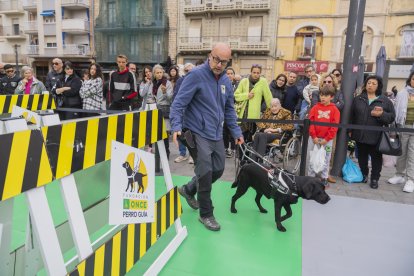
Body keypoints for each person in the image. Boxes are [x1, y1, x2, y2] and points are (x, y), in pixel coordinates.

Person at [170, 42, 244, 231]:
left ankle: (188, 189)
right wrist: (176, 126)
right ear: (210, 56)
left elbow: (228, 109)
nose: (219, 64)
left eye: (224, 62)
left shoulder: (226, 81)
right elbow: (179, 103)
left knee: (218, 170)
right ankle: (206, 213)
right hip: (196, 131)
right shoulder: (196, 75)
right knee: (204, 173)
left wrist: (236, 132)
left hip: (216, 133)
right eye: (216, 59)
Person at [351, 75, 396, 189]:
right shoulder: (358, 99)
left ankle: (375, 178)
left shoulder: (385, 101)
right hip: (360, 134)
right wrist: (350, 130)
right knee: (362, 156)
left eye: (373, 83)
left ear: (378, 86)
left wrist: (382, 114)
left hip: (377, 136)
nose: (370, 85)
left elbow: (391, 117)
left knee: (376, 158)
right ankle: (364, 174)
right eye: (369, 83)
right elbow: (352, 116)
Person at [307, 85, 340, 186]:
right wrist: (314, 136)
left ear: (332, 97)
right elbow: (310, 122)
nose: (323, 97)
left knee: (326, 158)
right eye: (321, 95)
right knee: (312, 157)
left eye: (326, 95)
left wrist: (327, 139)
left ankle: (324, 176)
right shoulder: (315, 108)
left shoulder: (335, 110)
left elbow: (334, 126)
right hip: (314, 138)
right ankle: (310, 176)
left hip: (327, 140)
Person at [388, 71, 414, 192]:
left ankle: (410, 179)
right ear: (410, 80)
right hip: (402, 126)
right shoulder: (403, 93)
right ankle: (399, 175)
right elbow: (396, 110)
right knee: (401, 152)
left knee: (412, 154)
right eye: (413, 79)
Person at [140, 64, 173, 158]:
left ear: (163, 72)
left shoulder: (167, 83)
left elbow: (170, 99)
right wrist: (147, 82)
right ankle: (157, 154)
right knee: (155, 132)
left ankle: (166, 153)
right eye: (157, 73)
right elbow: (143, 94)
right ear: (154, 74)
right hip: (154, 109)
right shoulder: (152, 83)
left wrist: (164, 92)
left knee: (164, 132)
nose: (159, 74)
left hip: (164, 109)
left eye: (160, 72)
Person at [234, 64, 272, 142]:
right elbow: (236, 96)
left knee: (250, 138)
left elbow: (268, 97)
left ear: (260, 73)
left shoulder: (263, 82)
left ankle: (249, 154)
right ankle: (240, 154)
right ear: (251, 72)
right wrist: (247, 95)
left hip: (254, 115)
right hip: (242, 114)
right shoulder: (244, 81)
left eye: (258, 73)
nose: (256, 74)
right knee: (240, 137)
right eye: (254, 72)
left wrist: (273, 110)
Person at [173, 63, 195, 164]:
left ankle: (192, 155)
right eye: (186, 70)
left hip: (192, 111)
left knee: (191, 134)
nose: (189, 72)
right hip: (181, 110)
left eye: (191, 70)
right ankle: (182, 154)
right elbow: (176, 95)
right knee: (180, 133)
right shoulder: (180, 81)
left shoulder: (197, 80)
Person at [223, 67, 239, 158]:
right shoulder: (222, 84)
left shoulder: (237, 85)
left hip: (235, 110)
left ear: (234, 75)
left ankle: (233, 149)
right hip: (225, 110)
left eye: (231, 73)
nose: (229, 75)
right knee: (225, 131)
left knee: (233, 130)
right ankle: (226, 148)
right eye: (227, 73)